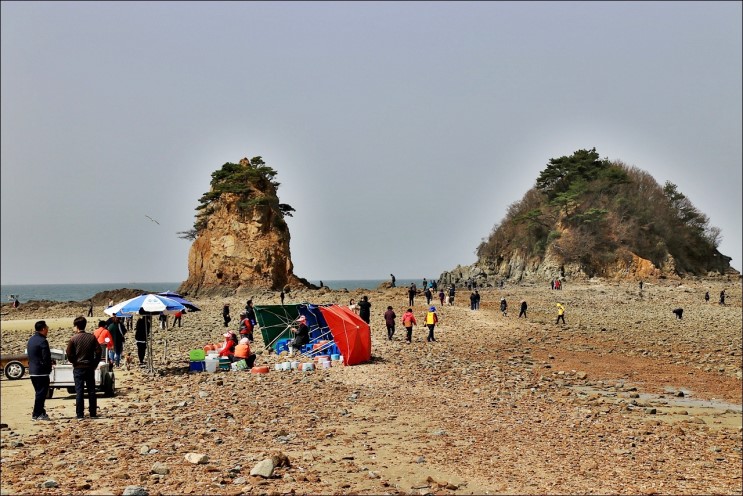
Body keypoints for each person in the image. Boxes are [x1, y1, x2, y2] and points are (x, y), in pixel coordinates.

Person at [66, 316, 102, 420]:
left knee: (79, 391)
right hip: (89, 366)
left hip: (78, 367)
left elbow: (69, 353)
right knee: (91, 390)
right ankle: (93, 412)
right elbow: (99, 351)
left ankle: (80, 414)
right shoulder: (91, 337)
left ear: (76, 327)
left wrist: (74, 361)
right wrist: (95, 362)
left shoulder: (73, 339)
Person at [28, 320, 52, 421]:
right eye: (46, 328)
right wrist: (49, 367)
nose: (47, 330)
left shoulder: (31, 340)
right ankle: (36, 414)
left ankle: (41, 412)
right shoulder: (42, 341)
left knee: (39, 393)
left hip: (33, 371)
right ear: (43, 329)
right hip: (41, 371)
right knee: (41, 393)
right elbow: (46, 357)